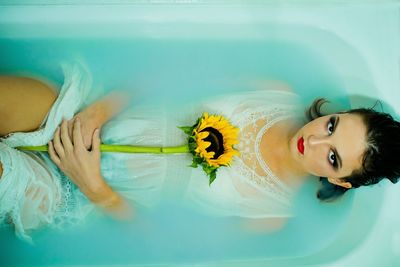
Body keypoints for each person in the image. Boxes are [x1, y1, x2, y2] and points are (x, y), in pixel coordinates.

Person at [1, 64, 399, 242]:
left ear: (339, 180)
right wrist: (98, 111)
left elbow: (162, 240)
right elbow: (166, 75)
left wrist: (93, 187)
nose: (312, 140)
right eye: (332, 126)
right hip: (83, 116)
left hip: (71, 192)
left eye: (332, 157)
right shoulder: (273, 89)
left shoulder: (270, 217)